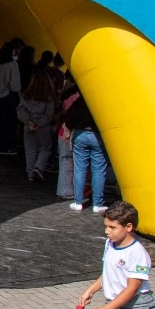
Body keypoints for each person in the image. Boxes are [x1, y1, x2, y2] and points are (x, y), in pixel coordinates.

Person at [63, 83, 108, 212]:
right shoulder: (101, 103)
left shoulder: (79, 102)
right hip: (97, 136)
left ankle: (78, 202)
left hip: (80, 135)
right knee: (99, 170)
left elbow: (69, 121)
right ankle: (97, 204)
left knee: (79, 169)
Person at [17, 70, 58, 182]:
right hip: (43, 127)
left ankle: (30, 173)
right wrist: (38, 123)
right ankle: (38, 167)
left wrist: (28, 122)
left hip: (28, 127)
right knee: (45, 148)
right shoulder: (48, 97)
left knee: (30, 150)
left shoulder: (26, 95)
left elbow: (21, 109)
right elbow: (49, 115)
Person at [56, 78, 79, 200]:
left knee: (65, 160)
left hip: (64, 130)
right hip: (70, 132)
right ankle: (67, 190)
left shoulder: (68, 95)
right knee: (69, 161)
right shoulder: (77, 97)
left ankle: (64, 189)